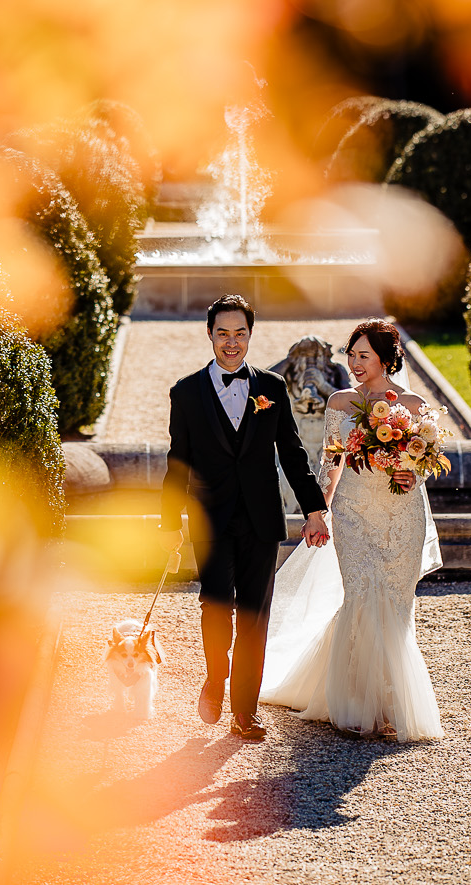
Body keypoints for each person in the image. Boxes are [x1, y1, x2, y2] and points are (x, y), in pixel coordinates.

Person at [259, 318, 446, 741]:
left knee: (396, 604)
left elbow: (421, 462)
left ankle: (394, 702)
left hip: (402, 515)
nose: (354, 363)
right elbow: (331, 464)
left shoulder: (414, 406)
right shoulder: (340, 404)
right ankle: (356, 702)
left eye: (363, 356)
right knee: (362, 594)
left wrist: (410, 476)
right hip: (354, 513)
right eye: (351, 354)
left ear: (385, 359)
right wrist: (317, 512)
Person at [160, 295, 330, 740]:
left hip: (260, 520)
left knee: (255, 615)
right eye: (223, 333)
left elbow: (292, 453)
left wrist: (314, 510)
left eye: (240, 333)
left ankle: (245, 713)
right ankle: (216, 678)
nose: (232, 342)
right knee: (215, 610)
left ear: (250, 335)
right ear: (210, 335)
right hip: (209, 519)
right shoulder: (186, 392)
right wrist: (166, 525)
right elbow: (178, 461)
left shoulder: (272, 388)